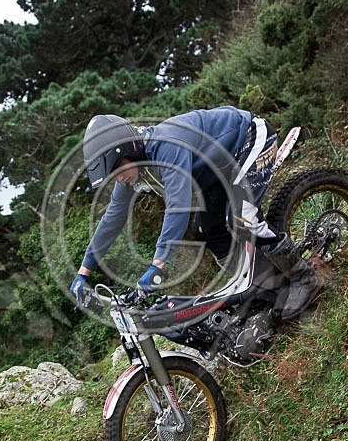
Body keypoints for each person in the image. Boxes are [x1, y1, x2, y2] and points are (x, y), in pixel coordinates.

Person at [69, 107, 320, 320]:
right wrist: (84, 272)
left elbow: (178, 206)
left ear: (129, 149)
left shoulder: (165, 146)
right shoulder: (131, 175)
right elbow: (112, 219)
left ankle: (304, 276)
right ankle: (267, 285)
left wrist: (157, 265)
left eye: (118, 169)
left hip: (248, 139)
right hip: (216, 171)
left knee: (242, 217)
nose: (119, 178)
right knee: (205, 230)